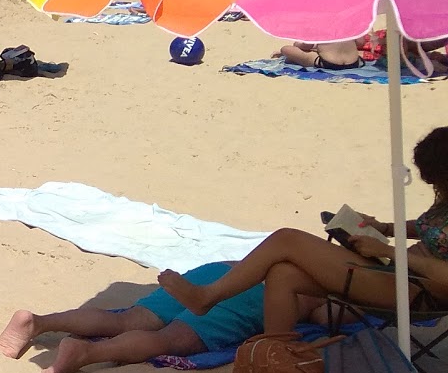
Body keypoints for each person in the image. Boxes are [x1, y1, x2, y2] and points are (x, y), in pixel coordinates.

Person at [157, 126, 448, 333]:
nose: (434, 187)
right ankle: (278, 353)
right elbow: (430, 230)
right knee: (282, 274)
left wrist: (389, 251)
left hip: (418, 292)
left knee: (287, 239)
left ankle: (208, 297)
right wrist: (384, 227)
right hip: (399, 274)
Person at [0, 262, 324, 373]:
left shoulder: (304, 249)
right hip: (252, 297)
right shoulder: (334, 285)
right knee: (172, 340)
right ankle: (88, 354)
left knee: (126, 320)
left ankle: (38, 322)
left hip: (221, 271)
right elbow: (324, 316)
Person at [278, 39, 362, 70]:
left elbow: (307, 46)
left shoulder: (320, 25)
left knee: (285, 49)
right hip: (353, 63)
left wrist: (297, 44)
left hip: (328, 64)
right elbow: (361, 43)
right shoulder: (351, 23)